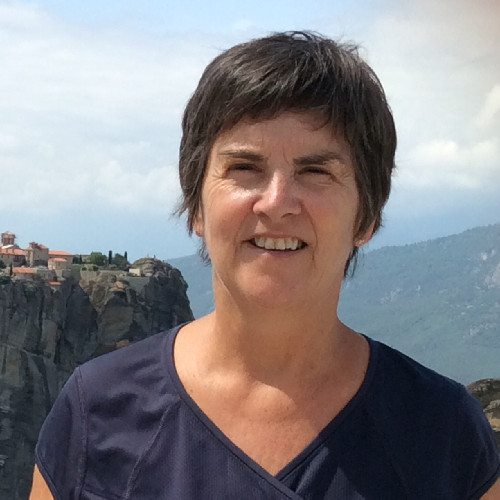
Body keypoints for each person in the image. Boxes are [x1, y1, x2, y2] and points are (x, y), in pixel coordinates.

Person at [31, 31, 500, 499]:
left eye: (315, 172)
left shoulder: (443, 433)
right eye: (244, 168)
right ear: (196, 206)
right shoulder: (96, 413)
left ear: (367, 217)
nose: (276, 202)